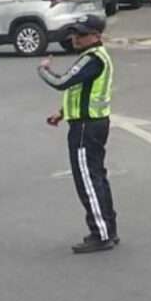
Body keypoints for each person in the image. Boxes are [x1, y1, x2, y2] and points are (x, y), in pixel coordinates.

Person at [38, 14, 118, 254]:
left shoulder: (92, 59)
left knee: (88, 180)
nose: (75, 38)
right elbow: (80, 91)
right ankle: (107, 229)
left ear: (96, 36)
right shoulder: (93, 57)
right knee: (97, 177)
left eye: (81, 34)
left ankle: (100, 233)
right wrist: (63, 112)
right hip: (91, 123)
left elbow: (62, 82)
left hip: (86, 127)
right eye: (74, 33)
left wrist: (43, 70)